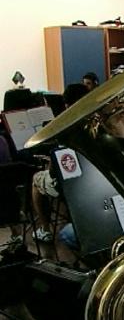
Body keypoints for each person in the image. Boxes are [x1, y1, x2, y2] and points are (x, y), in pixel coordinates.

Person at [31, 83, 90, 242]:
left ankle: (45, 229)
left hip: (71, 185)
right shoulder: (94, 121)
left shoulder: (67, 126)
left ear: (67, 105)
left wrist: (51, 162)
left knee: (37, 180)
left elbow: (55, 172)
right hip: (90, 181)